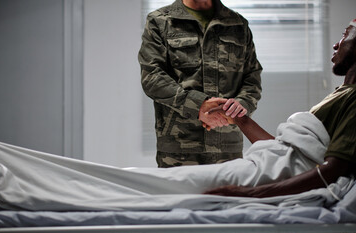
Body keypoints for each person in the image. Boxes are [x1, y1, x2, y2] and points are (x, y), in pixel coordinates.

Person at [203, 19, 356, 197]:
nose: (336, 44)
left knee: (172, 182)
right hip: (270, 168)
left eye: (345, 35)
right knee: (170, 181)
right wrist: (240, 119)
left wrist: (249, 193)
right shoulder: (342, 94)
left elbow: (331, 171)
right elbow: (286, 152)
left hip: (271, 174)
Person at [138, 0, 262, 167]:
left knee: (228, 194)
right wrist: (198, 105)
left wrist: (240, 106)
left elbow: (252, 77)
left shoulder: (237, 24)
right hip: (179, 148)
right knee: (181, 194)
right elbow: (152, 77)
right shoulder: (160, 21)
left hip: (228, 146)